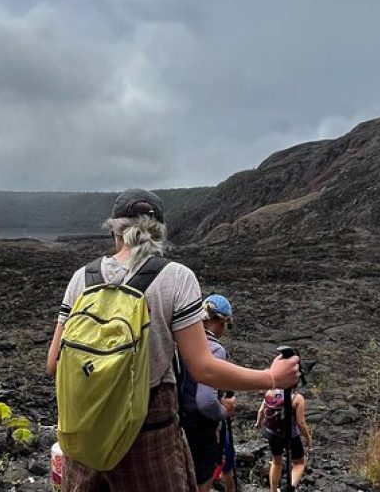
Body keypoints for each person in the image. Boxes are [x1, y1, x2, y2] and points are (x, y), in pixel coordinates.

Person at [46, 188, 300, 492]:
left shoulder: (81, 278)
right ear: (159, 233)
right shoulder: (176, 277)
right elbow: (203, 368)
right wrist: (272, 377)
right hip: (148, 429)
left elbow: (53, 364)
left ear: (114, 229)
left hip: (84, 432)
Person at [179, 294, 237, 492]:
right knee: (202, 479)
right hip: (200, 426)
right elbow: (205, 401)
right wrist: (224, 411)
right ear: (221, 322)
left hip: (178, 420)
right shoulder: (214, 350)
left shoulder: (182, 341)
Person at [255, 384, 313, 492]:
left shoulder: (270, 392)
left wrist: (258, 423)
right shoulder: (297, 398)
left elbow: (261, 411)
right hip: (291, 435)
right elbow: (300, 423)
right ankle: (291, 487)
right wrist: (308, 438)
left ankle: (273, 490)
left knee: (276, 461)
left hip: (272, 433)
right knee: (299, 463)